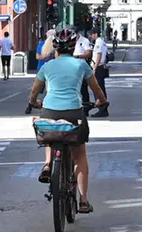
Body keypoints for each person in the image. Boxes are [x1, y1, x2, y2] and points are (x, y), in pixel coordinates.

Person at [28, 28, 108, 214]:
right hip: (73, 112)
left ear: (55, 48)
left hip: (49, 110)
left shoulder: (47, 66)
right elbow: (96, 89)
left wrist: (34, 102)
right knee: (80, 155)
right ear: (73, 48)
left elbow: (34, 91)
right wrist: (101, 102)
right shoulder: (81, 65)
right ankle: (84, 201)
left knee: (50, 132)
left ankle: (48, 164)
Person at [88, 28, 109, 118]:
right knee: (100, 88)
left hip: (98, 67)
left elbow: (99, 55)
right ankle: (103, 109)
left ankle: (102, 108)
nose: (91, 36)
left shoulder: (98, 42)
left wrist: (95, 68)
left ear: (95, 34)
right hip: (101, 67)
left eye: (91, 34)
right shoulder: (102, 42)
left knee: (98, 88)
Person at [73, 29, 94, 109]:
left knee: (83, 88)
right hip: (72, 67)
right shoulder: (70, 40)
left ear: (78, 33)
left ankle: (85, 106)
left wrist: (78, 56)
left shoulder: (84, 41)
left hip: (81, 67)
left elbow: (88, 54)